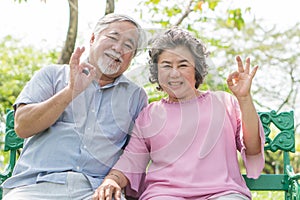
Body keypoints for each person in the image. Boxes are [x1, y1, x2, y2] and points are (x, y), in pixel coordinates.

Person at [92, 27, 265, 200]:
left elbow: (253, 147)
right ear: (157, 71)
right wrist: (111, 180)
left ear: (196, 69)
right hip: (164, 194)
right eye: (166, 65)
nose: (174, 73)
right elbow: (131, 160)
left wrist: (244, 98)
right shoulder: (149, 115)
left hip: (224, 192)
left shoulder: (224, 103)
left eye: (183, 65)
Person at [1, 13, 148, 200]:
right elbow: (22, 127)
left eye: (128, 46)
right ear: (93, 38)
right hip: (36, 186)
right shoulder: (52, 75)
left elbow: (136, 153)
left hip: (96, 190)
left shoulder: (136, 97)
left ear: (132, 57)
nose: (118, 48)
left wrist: (114, 181)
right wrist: (71, 91)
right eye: (112, 37)